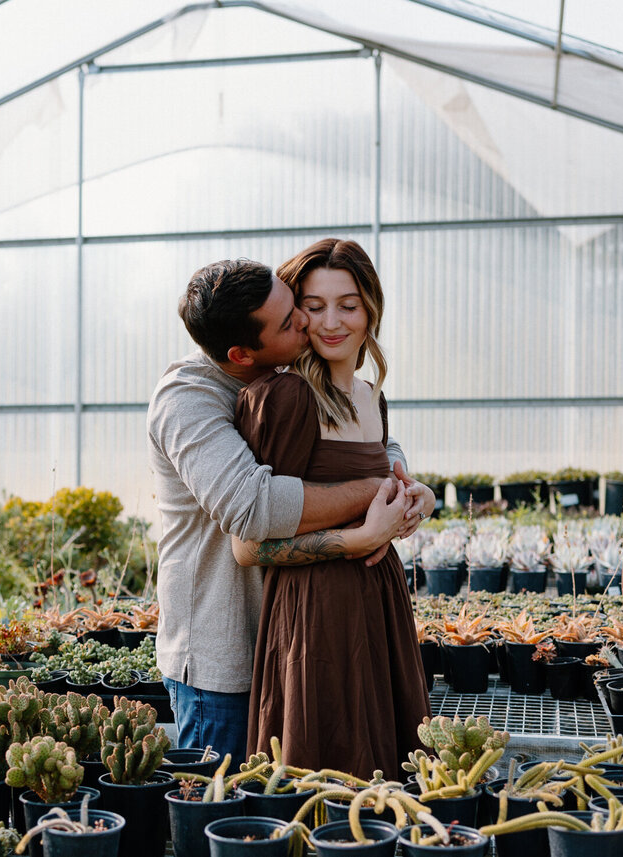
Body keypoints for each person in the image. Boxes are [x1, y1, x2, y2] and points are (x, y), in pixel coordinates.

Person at [147, 258, 433, 762]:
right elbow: (253, 508)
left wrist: (401, 475)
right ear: (241, 353)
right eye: (293, 317)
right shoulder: (189, 398)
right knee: (232, 810)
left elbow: (351, 428)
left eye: (295, 302)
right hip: (226, 655)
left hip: (295, 637)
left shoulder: (285, 368)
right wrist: (375, 493)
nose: (309, 321)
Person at [233, 238, 432, 780]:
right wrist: (358, 539)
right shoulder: (287, 396)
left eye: (348, 305)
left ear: (371, 309)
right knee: (327, 775)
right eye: (314, 307)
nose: (331, 323)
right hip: (314, 614)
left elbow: (380, 485)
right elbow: (250, 547)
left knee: (387, 772)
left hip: (381, 599)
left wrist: (416, 499)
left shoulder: (372, 397)